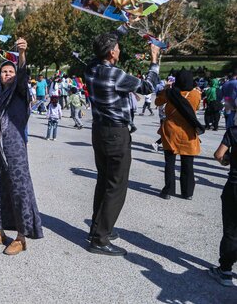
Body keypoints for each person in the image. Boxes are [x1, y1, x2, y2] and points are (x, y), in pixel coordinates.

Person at [84, 33, 160, 256]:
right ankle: (100, 238)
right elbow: (147, 87)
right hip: (116, 134)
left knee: (103, 180)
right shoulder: (115, 74)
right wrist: (154, 61)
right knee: (116, 185)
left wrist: (124, 26)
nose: (119, 49)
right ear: (111, 52)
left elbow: (99, 50)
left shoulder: (90, 69)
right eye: (117, 46)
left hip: (99, 131)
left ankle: (97, 229)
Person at [0, 38, 44, 255]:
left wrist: (22, 55)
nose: (7, 74)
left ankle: (21, 237)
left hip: (15, 149)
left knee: (19, 190)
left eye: (10, 71)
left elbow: (23, 76)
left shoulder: (20, 93)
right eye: (4, 71)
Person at [155, 70, 203, 200]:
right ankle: (187, 192)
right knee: (188, 163)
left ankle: (168, 191)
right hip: (188, 131)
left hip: (171, 130)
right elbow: (196, 108)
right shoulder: (196, 94)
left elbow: (157, 102)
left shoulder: (170, 93)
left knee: (170, 162)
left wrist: (165, 89)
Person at [208, 125, 237, 287]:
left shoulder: (234, 130)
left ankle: (225, 271)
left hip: (234, 186)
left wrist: (226, 160)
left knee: (231, 230)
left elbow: (219, 155)